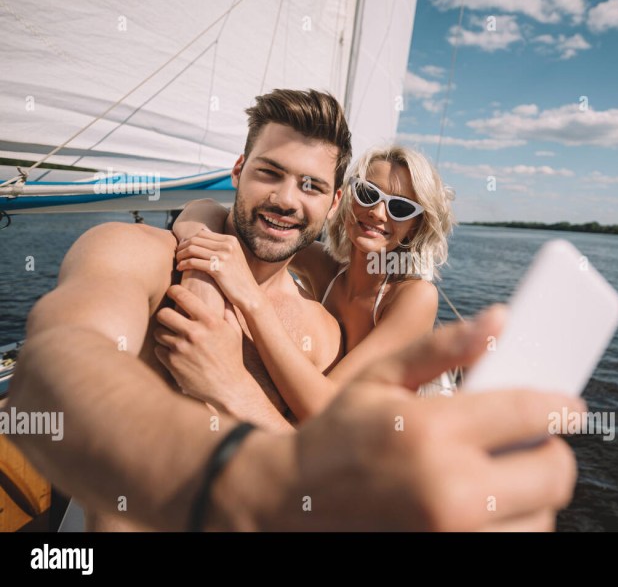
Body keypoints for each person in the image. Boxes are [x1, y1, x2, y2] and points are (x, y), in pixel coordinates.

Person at [4, 88, 584, 531]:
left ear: (330, 202)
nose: (285, 200)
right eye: (269, 173)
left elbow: (320, 451)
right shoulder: (137, 254)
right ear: (237, 171)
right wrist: (238, 476)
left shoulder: (329, 331)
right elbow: (52, 373)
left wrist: (233, 386)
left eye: (310, 185)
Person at [167, 145, 454, 421]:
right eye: (368, 194)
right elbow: (212, 211)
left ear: (414, 227)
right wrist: (199, 278)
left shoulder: (414, 297)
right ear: (346, 198)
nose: (378, 212)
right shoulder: (325, 267)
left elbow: (325, 408)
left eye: (400, 208)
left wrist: (252, 299)